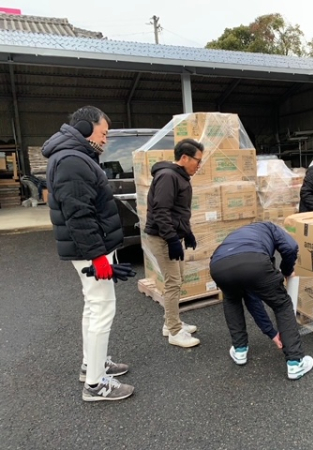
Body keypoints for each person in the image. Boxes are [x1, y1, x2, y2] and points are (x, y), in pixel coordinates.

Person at [42, 105, 134, 402]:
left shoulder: (75, 156)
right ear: (84, 128)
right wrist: (97, 256)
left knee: (93, 306)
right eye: (103, 133)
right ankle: (95, 385)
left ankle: (91, 364)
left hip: (91, 248)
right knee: (102, 308)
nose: (106, 140)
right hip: (90, 250)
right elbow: (78, 215)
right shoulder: (72, 160)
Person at [209, 221, 313, 380]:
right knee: (281, 304)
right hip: (254, 262)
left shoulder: (242, 233)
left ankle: (239, 351)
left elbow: (252, 300)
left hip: (218, 266)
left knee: (232, 300)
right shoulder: (272, 227)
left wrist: (272, 333)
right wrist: (287, 271)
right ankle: (295, 362)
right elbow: (291, 247)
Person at [144, 139, 204, 348]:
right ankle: (174, 331)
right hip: (162, 238)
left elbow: (178, 211)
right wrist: (171, 239)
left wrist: (187, 233)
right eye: (198, 160)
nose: (199, 165)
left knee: (178, 280)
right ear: (185, 158)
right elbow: (161, 211)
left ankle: (170, 323)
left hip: (171, 235)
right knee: (173, 282)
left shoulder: (179, 177)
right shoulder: (168, 176)